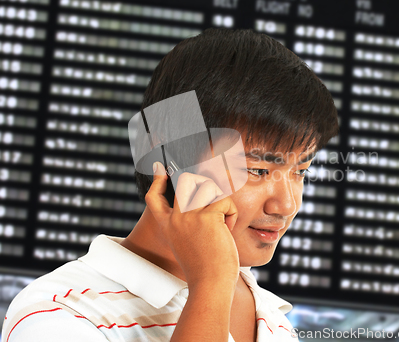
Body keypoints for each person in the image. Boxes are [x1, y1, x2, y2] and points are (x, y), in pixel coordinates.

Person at [1, 28, 339, 342]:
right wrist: (210, 287)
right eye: (259, 170)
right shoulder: (59, 315)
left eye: (301, 172)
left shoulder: (270, 317)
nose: (286, 205)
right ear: (171, 155)